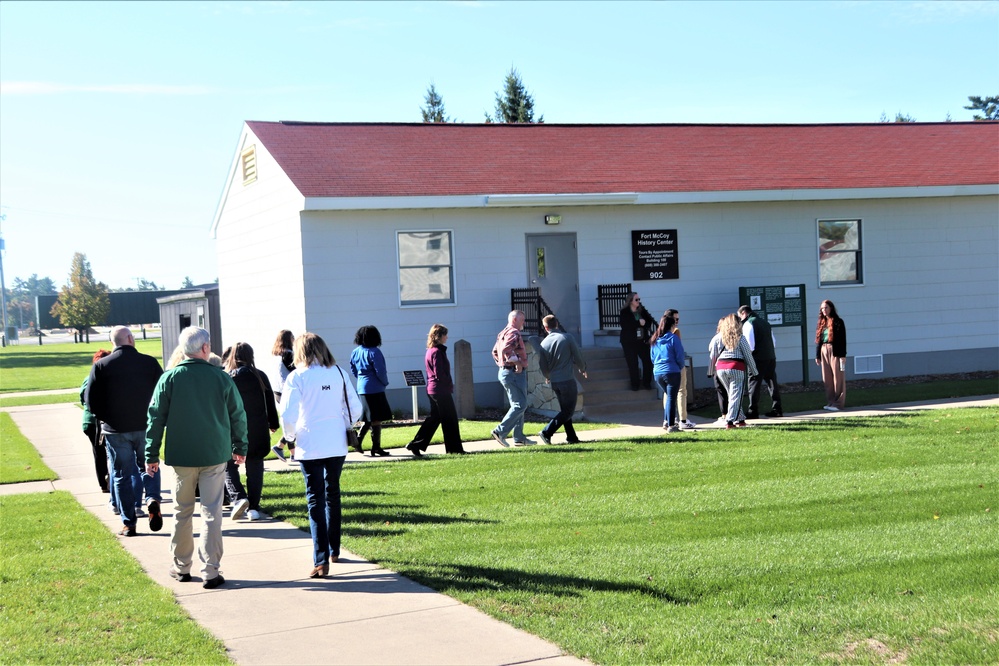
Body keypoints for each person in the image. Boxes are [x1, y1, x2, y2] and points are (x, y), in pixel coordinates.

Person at [145, 327, 248, 589]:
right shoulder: (221, 378)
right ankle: (210, 570)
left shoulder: (170, 378)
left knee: (182, 511)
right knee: (212, 511)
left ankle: (181, 566)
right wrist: (240, 446)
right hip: (214, 454)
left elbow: (155, 418)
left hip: (182, 456)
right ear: (204, 348)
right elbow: (238, 414)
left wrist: (151, 453)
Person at [279, 332, 362, 579]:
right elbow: (355, 408)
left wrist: (290, 437)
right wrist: (343, 423)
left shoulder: (297, 377)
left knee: (316, 499)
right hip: (336, 443)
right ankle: (334, 549)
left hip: (310, 443)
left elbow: (288, 415)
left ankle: (321, 559)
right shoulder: (338, 373)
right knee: (332, 494)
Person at [85, 325, 164, 537]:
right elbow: (162, 394)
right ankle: (152, 499)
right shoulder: (149, 363)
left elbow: (90, 402)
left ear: (114, 342)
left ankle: (129, 523)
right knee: (150, 465)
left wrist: (107, 418)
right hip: (145, 426)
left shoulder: (101, 365)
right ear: (130, 338)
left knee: (121, 475)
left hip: (116, 429)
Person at [223, 342, 279, 521]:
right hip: (258, 428)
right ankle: (253, 507)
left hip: (233, 429)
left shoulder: (227, 377)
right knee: (255, 466)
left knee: (228, 465)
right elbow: (269, 401)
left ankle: (239, 497)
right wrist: (273, 422)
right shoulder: (260, 376)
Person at [406, 324, 465, 455]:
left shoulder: (430, 351)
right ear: (439, 336)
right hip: (441, 390)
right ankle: (454, 449)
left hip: (432, 389)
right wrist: (449, 383)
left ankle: (416, 444)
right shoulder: (438, 352)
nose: (447, 337)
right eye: (445, 335)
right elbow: (440, 374)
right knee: (450, 420)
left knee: (434, 418)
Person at [534, 315, 588, 445]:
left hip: (555, 381)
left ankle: (571, 437)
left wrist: (547, 376)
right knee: (568, 411)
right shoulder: (567, 337)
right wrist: (583, 368)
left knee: (565, 409)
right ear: (557, 324)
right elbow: (577, 355)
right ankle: (547, 432)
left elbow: (543, 365)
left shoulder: (543, 343)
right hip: (567, 380)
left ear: (546, 328)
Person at [491, 310, 533, 447]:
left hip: (505, 372)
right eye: (522, 320)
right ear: (515, 320)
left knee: (518, 405)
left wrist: (502, 364)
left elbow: (495, 352)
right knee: (520, 405)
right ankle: (500, 431)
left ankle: (519, 437)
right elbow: (506, 350)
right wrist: (517, 363)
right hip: (513, 374)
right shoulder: (514, 332)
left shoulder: (503, 332)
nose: (524, 323)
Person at [349, 326, 392, 457]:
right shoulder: (375, 352)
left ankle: (359, 441)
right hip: (375, 387)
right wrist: (385, 382)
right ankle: (375, 447)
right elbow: (380, 371)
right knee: (376, 419)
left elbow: (353, 368)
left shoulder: (355, 351)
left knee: (369, 417)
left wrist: (361, 379)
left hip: (362, 387)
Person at [713, 314, 758, 429]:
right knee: (736, 395)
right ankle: (730, 421)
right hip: (736, 367)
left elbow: (713, 352)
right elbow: (748, 355)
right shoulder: (740, 337)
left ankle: (740, 418)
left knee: (732, 394)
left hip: (721, 368)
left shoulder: (719, 337)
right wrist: (755, 371)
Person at [739, 305, 783, 418]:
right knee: (772, 383)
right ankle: (777, 409)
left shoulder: (749, 323)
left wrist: (746, 357)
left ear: (743, 313)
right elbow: (773, 342)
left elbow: (749, 345)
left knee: (754, 384)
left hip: (757, 358)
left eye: (740, 316)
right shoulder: (765, 323)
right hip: (770, 357)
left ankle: (753, 410)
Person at [80, 349, 112, 494]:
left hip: (89, 422)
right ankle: (111, 481)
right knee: (111, 453)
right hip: (101, 422)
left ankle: (104, 484)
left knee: (98, 453)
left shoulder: (88, 378)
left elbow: (83, 398)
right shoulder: (106, 377)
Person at [650, 313, 686, 433]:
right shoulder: (673, 338)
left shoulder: (655, 339)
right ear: (671, 326)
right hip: (672, 371)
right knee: (672, 397)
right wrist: (680, 367)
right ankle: (671, 425)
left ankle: (666, 421)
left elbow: (652, 357)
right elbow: (680, 356)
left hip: (658, 373)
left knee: (669, 396)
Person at [266, 330, 297, 463]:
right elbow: (296, 370)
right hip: (287, 390)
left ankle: (293, 454)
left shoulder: (276, 355)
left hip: (277, 390)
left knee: (290, 420)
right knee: (294, 421)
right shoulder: (288, 354)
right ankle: (280, 446)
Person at [664, 309, 696, 429]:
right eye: (676, 319)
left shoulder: (659, 333)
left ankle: (667, 419)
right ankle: (683, 419)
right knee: (681, 391)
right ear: (670, 320)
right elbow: (679, 351)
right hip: (675, 366)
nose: (677, 321)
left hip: (662, 368)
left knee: (667, 393)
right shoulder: (675, 333)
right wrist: (681, 366)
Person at [815, 300, 848, 411]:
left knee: (838, 378)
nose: (824, 310)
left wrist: (843, 355)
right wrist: (817, 355)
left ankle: (838, 404)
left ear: (831, 308)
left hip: (835, 351)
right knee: (827, 378)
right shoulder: (822, 322)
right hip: (824, 350)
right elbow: (819, 340)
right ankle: (831, 402)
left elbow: (842, 339)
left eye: (826, 308)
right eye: (822, 309)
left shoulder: (838, 322)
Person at [619, 292, 655, 391]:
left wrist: (643, 324)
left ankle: (647, 383)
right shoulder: (625, 312)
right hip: (629, 342)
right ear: (630, 301)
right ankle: (635, 385)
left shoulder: (641, 310)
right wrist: (638, 323)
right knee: (633, 363)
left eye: (639, 299)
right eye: (636, 300)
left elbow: (649, 321)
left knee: (647, 361)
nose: (638, 301)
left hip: (641, 340)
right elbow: (625, 325)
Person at [706, 318, 731, 423]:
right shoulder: (735, 337)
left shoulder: (716, 338)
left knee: (721, 392)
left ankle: (724, 414)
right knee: (732, 392)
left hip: (719, 367)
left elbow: (713, 356)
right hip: (733, 367)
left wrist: (710, 371)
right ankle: (734, 413)